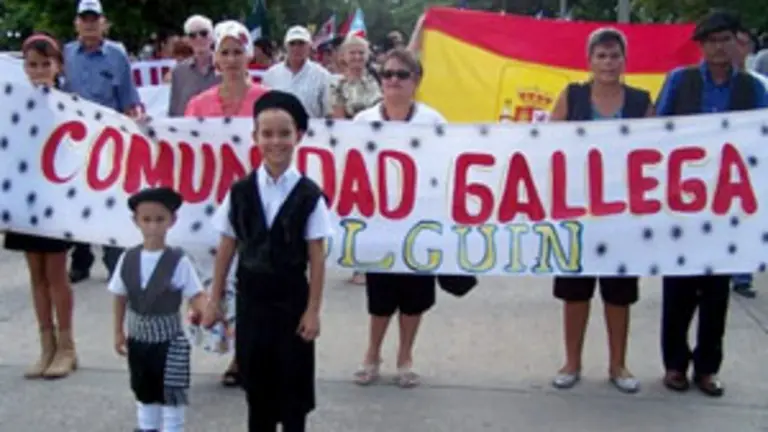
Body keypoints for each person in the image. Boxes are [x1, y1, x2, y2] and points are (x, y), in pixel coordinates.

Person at [201, 90, 333, 432]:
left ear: (298, 136)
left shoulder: (309, 195)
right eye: (267, 134)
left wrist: (313, 310)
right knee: (257, 388)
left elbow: (317, 256)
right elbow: (227, 245)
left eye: (284, 133)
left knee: (293, 390)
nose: (276, 142)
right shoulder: (240, 192)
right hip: (252, 303)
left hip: (291, 303)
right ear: (255, 136)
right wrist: (214, 300)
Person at [655, 10, 768, 397]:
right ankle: (674, 364)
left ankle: (707, 368)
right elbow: (655, 131)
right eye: (712, 41)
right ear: (701, 46)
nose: (719, 48)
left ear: (739, 43)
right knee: (678, 287)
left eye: (726, 40)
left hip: (727, 204)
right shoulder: (680, 81)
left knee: (716, 290)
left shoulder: (752, 88)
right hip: (682, 201)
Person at [547, 28, 651, 394]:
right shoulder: (573, 95)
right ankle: (571, 362)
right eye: (601, 56)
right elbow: (548, 142)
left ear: (624, 60)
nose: (608, 62)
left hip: (623, 213)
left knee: (619, 292)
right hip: (578, 211)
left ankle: (618, 364)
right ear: (589, 61)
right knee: (575, 291)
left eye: (614, 55)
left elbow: (656, 150)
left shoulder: (640, 101)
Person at [352, 48, 445, 388]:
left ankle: (405, 356)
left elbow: (447, 166)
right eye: (387, 74)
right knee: (380, 295)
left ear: (416, 80)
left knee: (414, 296)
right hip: (378, 221)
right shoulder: (362, 122)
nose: (393, 80)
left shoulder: (434, 122)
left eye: (401, 75)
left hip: (420, 221)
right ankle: (372, 354)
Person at [185, 20, 269, 388]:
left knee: (251, 278)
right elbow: (183, 148)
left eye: (238, 52)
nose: (232, 59)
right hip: (210, 203)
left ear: (249, 55)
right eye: (225, 52)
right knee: (220, 279)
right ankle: (230, 344)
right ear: (216, 57)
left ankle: (243, 356)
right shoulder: (198, 104)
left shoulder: (266, 99)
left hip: (257, 202)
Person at [3, 33, 77, 380]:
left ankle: (67, 346)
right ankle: (46, 344)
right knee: (36, 274)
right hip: (24, 198)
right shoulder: (13, 105)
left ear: (58, 66)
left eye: (45, 64)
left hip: (56, 198)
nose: (38, 71)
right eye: (32, 65)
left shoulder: (71, 104)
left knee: (56, 273)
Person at [110, 187, 207, 432]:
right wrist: (118, 332)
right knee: (144, 390)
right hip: (138, 340)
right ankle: (147, 427)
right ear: (136, 221)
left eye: (160, 219)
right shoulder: (128, 258)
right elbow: (120, 296)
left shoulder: (178, 260)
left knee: (172, 394)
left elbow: (195, 293)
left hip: (169, 341)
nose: (153, 226)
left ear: (172, 221)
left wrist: (205, 313)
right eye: (146, 219)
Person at [63, 0, 143, 284]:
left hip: (110, 140)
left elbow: (128, 98)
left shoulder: (117, 54)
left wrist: (135, 121)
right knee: (77, 199)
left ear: (103, 23)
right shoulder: (65, 54)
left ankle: (114, 259)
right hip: (74, 141)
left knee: (110, 199)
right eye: (84, 19)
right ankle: (81, 257)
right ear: (76, 23)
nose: (89, 24)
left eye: (94, 19)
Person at [329, 34, 382, 286]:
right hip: (353, 152)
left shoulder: (379, 78)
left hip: (381, 150)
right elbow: (339, 120)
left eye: (361, 52)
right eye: (352, 52)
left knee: (378, 206)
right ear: (343, 56)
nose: (357, 57)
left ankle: (377, 259)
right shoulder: (336, 85)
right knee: (357, 207)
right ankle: (358, 264)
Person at [730, 27, 766, 299]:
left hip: (748, 164)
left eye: (743, 44)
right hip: (707, 168)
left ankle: (742, 275)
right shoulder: (693, 81)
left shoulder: (758, 84)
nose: (736, 49)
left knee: (745, 219)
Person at [262, 26, 333, 118]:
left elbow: (329, 112)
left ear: (309, 46)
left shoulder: (323, 76)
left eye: (301, 43)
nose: (296, 48)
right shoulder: (271, 75)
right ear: (286, 46)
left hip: (311, 126)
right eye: (292, 43)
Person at [167, 15, 220, 117]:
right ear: (188, 40)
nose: (198, 38)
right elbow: (174, 111)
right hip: (188, 125)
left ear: (212, 37)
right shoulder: (178, 72)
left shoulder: (226, 67)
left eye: (203, 33)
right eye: (192, 35)